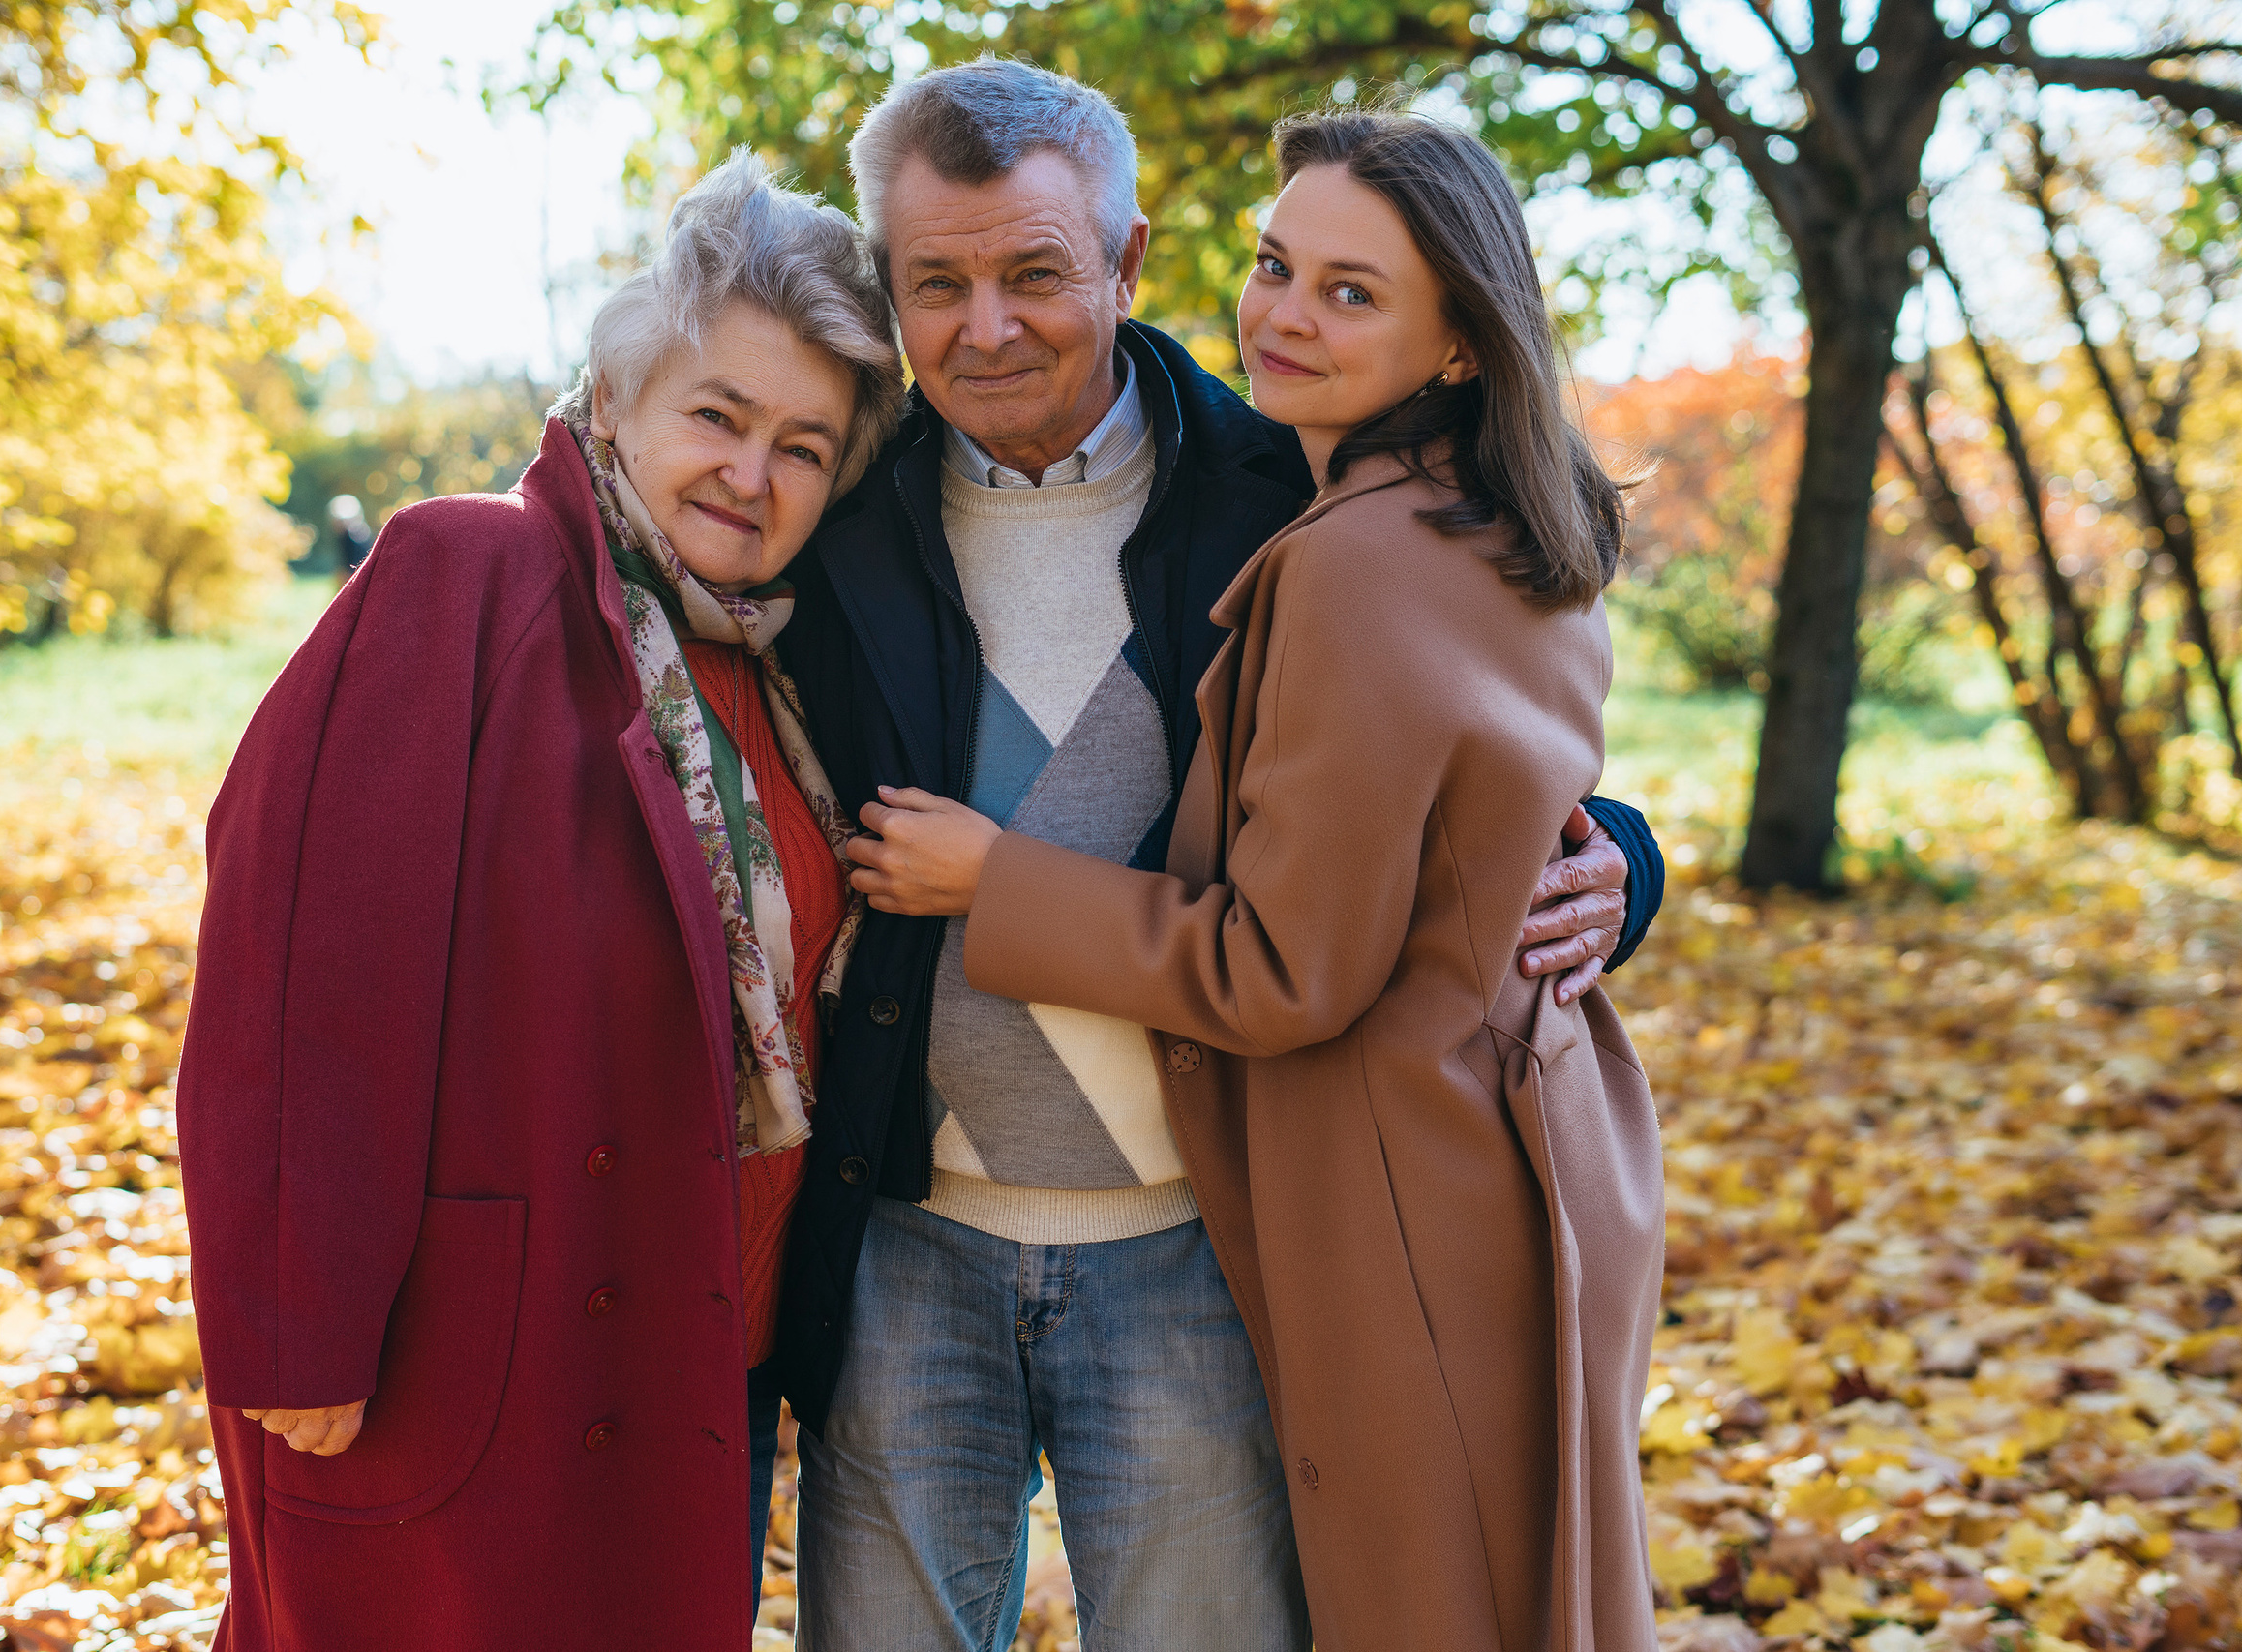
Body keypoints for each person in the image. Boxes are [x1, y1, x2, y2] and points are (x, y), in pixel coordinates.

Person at [766, 61, 1664, 1649]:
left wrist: (1624, 865)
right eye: (936, 285)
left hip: (1195, 1241)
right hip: (909, 1230)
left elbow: (1469, 755)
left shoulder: (1287, 488)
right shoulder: (827, 521)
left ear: (1126, 261)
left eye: (1037, 273)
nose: (987, 328)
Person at [175, 153, 903, 1650]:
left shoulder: (772, 670)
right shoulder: (473, 573)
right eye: (716, 415)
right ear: (616, 400)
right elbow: (299, 956)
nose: (750, 476)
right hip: (480, 1356)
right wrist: (295, 1325)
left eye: (805, 447)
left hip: (697, 1353)